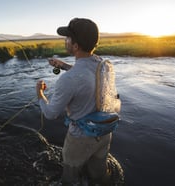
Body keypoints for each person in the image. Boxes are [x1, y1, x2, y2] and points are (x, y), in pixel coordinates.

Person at [36, 18, 121, 185]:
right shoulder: (102, 64)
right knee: (99, 175)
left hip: (80, 139)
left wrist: (39, 93)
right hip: (104, 133)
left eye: (67, 37)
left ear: (75, 46)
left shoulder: (69, 79)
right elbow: (87, 75)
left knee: (70, 179)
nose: (64, 40)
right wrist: (64, 65)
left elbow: (51, 113)